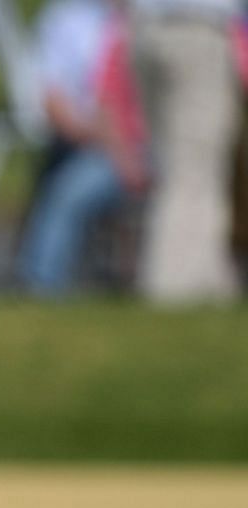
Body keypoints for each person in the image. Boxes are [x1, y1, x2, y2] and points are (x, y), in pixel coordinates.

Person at [18, 0, 148, 294]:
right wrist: (114, 148)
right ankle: (41, 284)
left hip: (145, 146)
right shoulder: (69, 18)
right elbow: (62, 100)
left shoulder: (147, 20)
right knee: (69, 191)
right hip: (97, 143)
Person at [128, 0, 243, 302]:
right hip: (197, 30)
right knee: (195, 178)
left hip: (146, 29)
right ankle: (170, 292)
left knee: (177, 173)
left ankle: (214, 285)